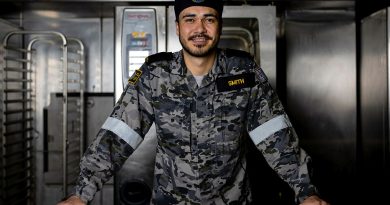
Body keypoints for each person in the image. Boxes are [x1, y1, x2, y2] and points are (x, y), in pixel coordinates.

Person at [58, 0, 330, 204]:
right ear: (178, 27)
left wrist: (305, 191)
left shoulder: (244, 73)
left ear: (219, 24)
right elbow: (119, 135)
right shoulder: (155, 74)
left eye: (208, 18)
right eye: (190, 19)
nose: (199, 28)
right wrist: (82, 192)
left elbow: (275, 137)